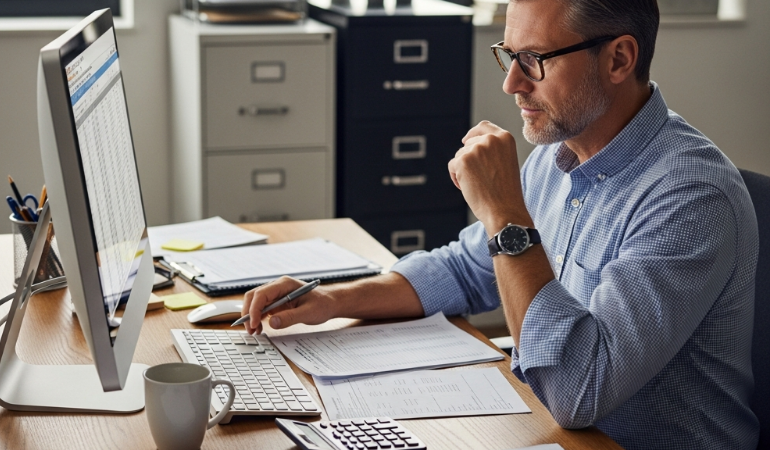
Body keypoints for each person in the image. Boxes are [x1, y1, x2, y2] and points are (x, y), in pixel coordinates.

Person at [241, 0, 760, 448]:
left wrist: (505, 214)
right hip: (553, 430)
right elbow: (468, 270)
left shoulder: (690, 197)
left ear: (619, 58)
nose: (511, 82)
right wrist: (334, 301)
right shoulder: (561, 151)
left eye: (534, 60)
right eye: (510, 55)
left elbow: (578, 390)